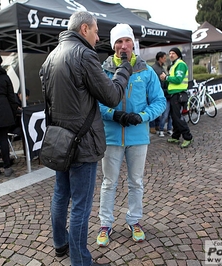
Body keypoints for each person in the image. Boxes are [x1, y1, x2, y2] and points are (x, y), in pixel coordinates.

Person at [39, 11, 132, 266]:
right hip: (83, 142)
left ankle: (60, 245)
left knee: (60, 195)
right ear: (84, 29)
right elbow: (112, 96)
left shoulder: (51, 56)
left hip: (61, 141)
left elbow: (49, 102)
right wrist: (124, 69)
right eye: (95, 30)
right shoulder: (84, 55)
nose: (98, 36)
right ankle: (80, 261)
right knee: (80, 205)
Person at [97, 24, 165, 247]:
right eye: (118, 41)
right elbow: (95, 104)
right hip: (112, 137)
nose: (123, 45)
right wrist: (113, 114)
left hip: (138, 137)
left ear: (133, 43)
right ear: (113, 45)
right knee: (109, 182)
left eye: (127, 40)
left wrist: (143, 116)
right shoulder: (103, 70)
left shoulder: (146, 71)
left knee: (136, 182)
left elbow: (159, 101)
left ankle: (134, 220)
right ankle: (105, 223)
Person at [160, 47, 193, 148]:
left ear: (178, 54)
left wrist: (166, 77)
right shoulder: (175, 65)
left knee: (177, 118)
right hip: (174, 94)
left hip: (178, 95)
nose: (171, 55)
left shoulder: (180, 64)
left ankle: (188, 137)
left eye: (173, 53)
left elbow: (178, 79)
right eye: (169, 53)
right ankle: (176, 136)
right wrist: (166, 79)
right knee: (174, 117)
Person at [152, 51, 173, 137]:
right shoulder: (154, 68)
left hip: (162, 91)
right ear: (160, 58)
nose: (165, 59)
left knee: (159, 110)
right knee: (154, 109)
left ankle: (157, 126)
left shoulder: (161, 68)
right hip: (156, 92)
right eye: (164, 58)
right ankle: (152, 126)